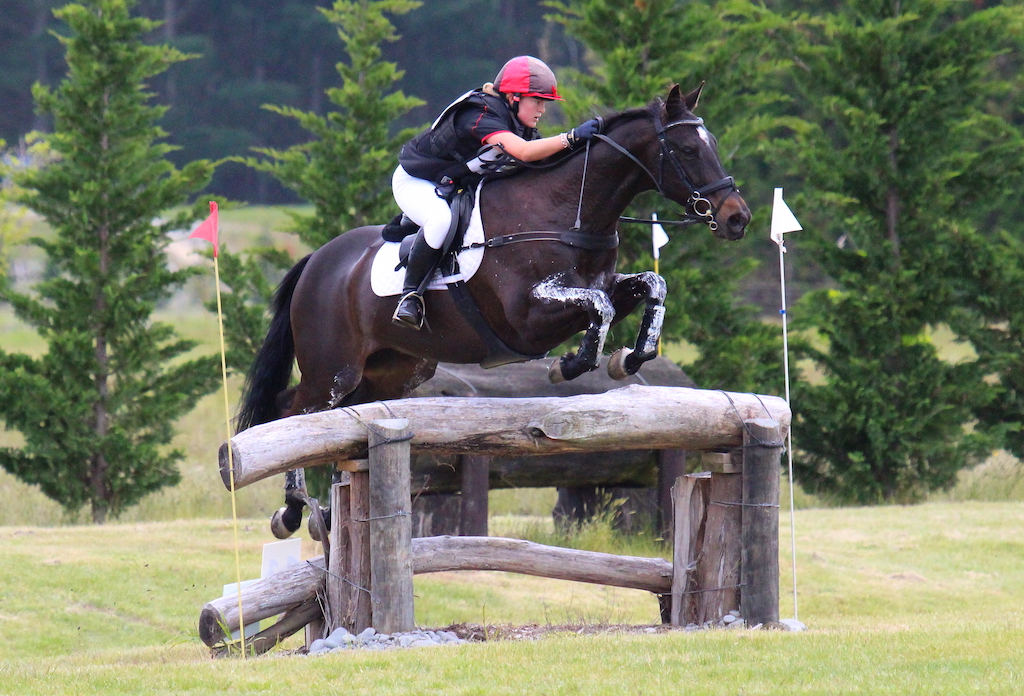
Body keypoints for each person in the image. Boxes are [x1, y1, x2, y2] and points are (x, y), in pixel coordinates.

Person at [391, 55, 602, 329]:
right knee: (440, 220)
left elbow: (540, 162)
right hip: (417, 181)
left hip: (456, 185)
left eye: (544, 103)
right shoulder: (480, 113)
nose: (543, 110)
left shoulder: (521, 126)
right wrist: (570, 137)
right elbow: (524, 152)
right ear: (514, 97)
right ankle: (410, 297)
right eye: (537, 101)